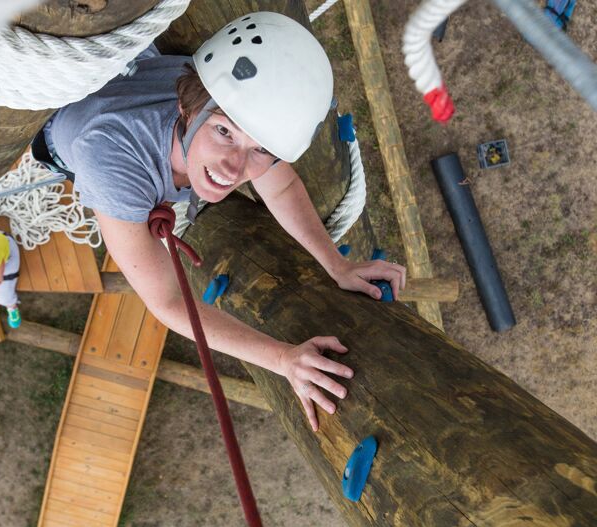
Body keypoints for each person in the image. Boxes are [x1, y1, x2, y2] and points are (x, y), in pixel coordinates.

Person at [38, 12, 406, 431]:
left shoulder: (224, 100)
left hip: (131, 78)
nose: (234, 168)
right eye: (224, 133)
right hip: (64, 125)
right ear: (187, 108)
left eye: (259, 149)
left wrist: (337, 265)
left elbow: (281, 187)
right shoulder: (111, 166)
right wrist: (282, 359)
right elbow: (169, 302)